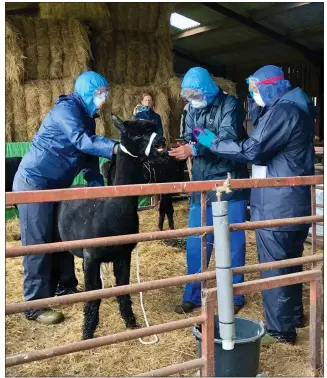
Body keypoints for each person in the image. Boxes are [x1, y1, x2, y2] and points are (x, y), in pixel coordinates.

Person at [192, 65, 315, 345]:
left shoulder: (284, 111)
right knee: (291, 263)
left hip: (278, 203)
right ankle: (294, 316)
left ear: (270, 87)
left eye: (256, 90)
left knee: (274, 267)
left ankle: (280, 331)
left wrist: (212, 141)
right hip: (293, 199)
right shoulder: (296, 107)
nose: (254, 96)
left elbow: (252, 150)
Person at [13, 71, 119, 325]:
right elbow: (83, 142)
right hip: (33, 183)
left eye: (105, 92)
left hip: (56, 185)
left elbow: (89, 159)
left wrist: (98, 190)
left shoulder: (86, 117)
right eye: (99, 93)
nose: (103, 98)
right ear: (86, 92)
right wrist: (117, 148)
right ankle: (34, 305)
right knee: (38, 243)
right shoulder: (66, 111)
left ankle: (65, 286)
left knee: (60, 236)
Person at [169, 67, 250, 314]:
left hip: (228, 180)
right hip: (201, 182)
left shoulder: (230, 105)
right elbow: (189, 134)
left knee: (231, 240)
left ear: (207, 88)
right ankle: (192, 294)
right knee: (197, 241)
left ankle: (234, 295)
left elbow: (226, 139)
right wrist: (186, 146)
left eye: (196, 94)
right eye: (189, 96)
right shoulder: (191, 108)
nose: (193, 100)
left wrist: (194, 149)